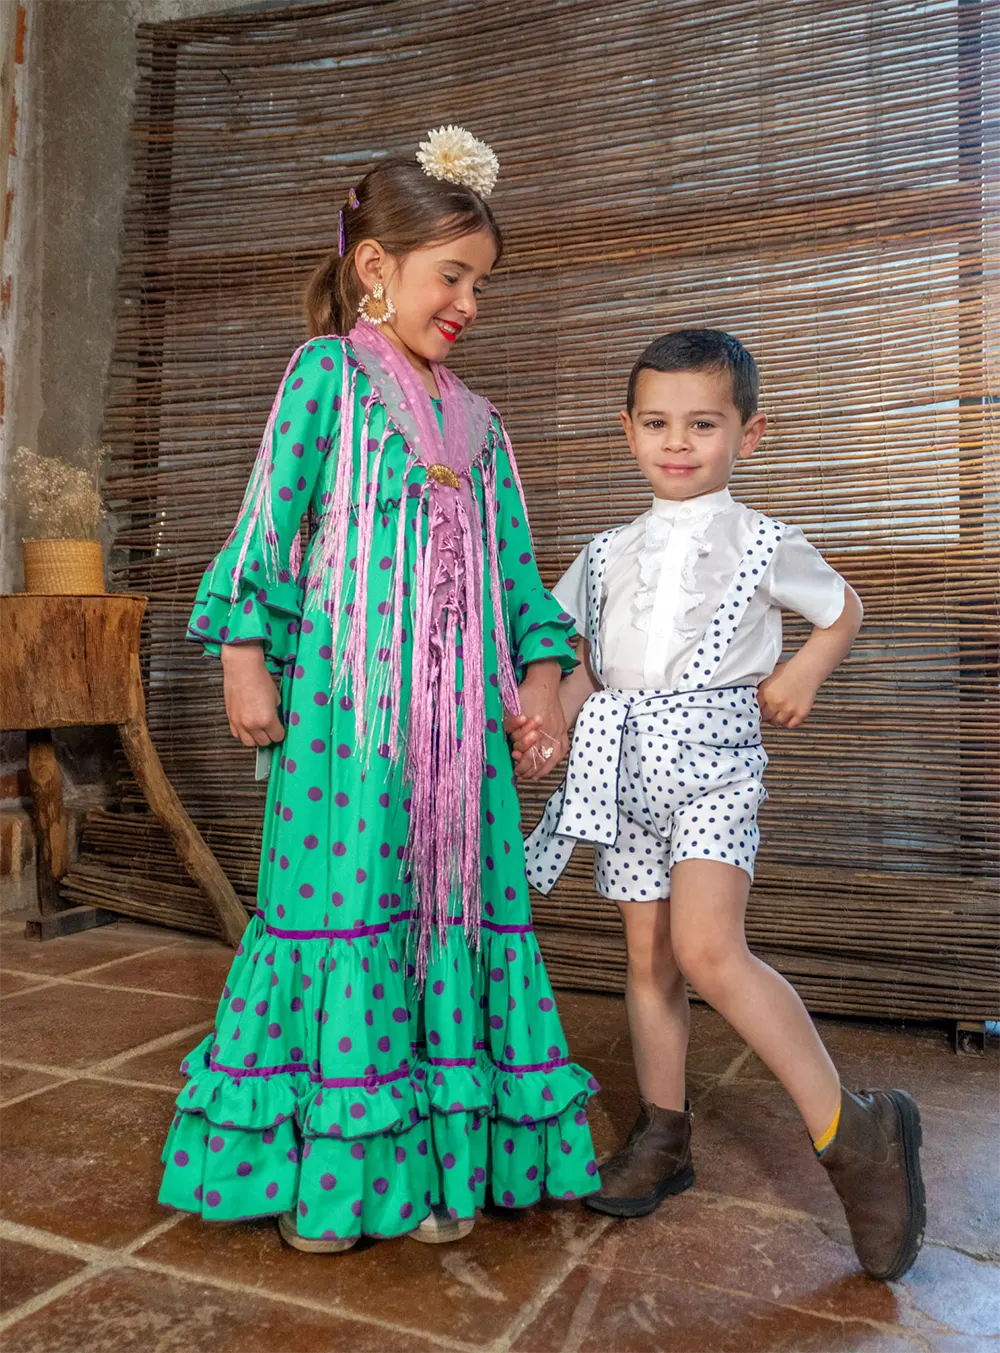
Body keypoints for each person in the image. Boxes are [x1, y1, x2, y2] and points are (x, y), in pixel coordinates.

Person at [158, 127, 599, 1253]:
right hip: (348, 729)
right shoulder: (327, 377)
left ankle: (438, 1161)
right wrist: (243, 652)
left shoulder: (482, 429)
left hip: (461, 742)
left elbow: (517, 582)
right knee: (346, 909)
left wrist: (541, 682)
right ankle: (337, 1172)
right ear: (374, 268)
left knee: (446, 915)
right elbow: (269, 521)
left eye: (480, 284)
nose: (468, 303)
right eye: (452, 276)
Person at [514, 329, 925, 1283]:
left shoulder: (765, 540)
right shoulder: (605, 552)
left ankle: (854, 1132)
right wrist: (551, 729)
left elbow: (844, 608)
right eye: (657, 422)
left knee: (707, 948)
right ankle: (663, 1133)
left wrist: (805, 669)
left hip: (712, 767)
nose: (678, 442)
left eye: (703, 424)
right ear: (627, 431)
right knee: (649, 958)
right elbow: (584, 666)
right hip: (623, 770)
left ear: (750, 432)